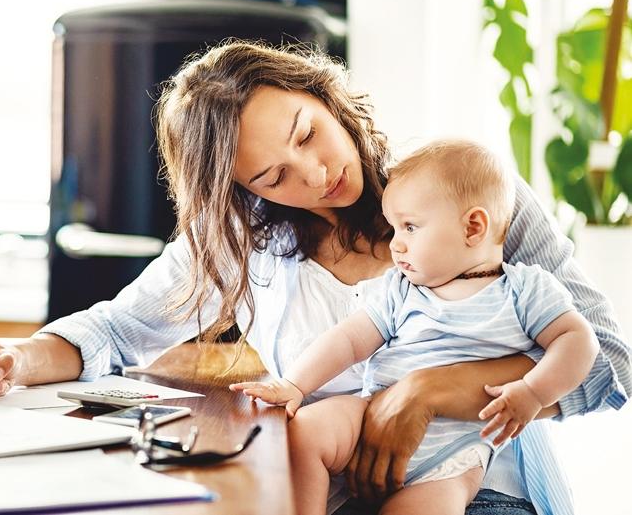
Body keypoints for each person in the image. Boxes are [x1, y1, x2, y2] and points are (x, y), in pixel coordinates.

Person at [0, 41, 631, 515]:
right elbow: (115, 328)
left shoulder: (467, 197)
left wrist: (424, 390)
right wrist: (16, 359)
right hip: (326, 489)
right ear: (248, 192)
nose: (314, 175)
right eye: (272, 176)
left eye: (307, 134)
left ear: (323, 95)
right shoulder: (245, 239)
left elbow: (613, 364)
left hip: (477, 486)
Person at [228, 139, 599, 515]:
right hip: (373, 414)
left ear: (473, 227)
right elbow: (350, 339)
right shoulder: (403, 289)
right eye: (394, 228)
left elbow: (579, 339)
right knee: (305, 430)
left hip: (451, 457)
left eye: (409, 228)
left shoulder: (524, 290)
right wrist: (295, 384)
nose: (396, 246)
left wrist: (535, 392)